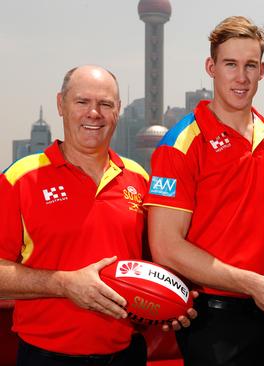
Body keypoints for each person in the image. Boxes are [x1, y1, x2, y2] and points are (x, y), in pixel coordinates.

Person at [0, 65, 193, 365]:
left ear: (117, 110)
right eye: (82, 102)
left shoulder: (139, 179)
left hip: (127, 354)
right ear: (60, 104)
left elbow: (153, 264)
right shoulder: (20, 179)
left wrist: (169, 304)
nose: (94, 113)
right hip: (47, 356)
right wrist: (63, 284)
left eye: (105, 104)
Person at [143, 16, 264, 365]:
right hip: (211, 317)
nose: (241, 77)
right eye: (230, 64)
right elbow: (166, 247)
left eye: (250, 65)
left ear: (262, 71)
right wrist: (254, 284)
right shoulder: (181, 144)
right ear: (211, 67)